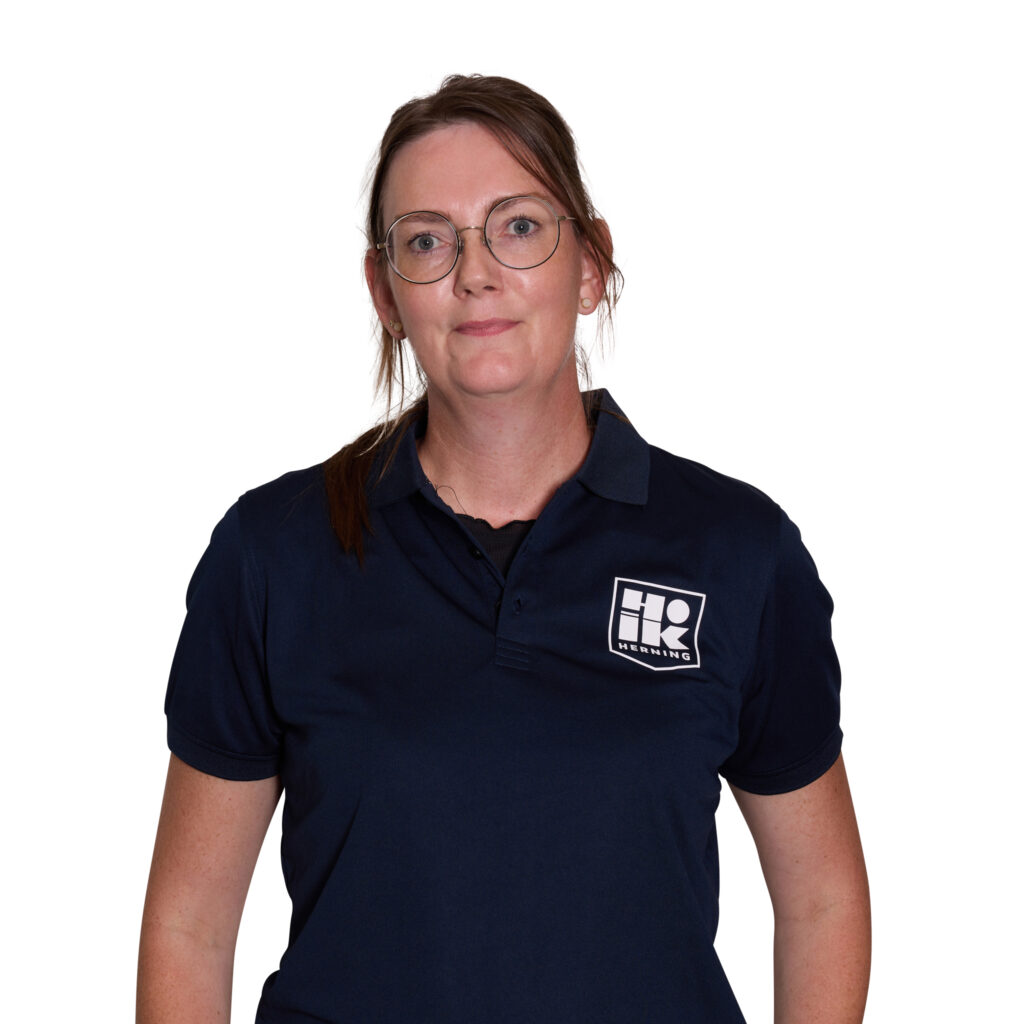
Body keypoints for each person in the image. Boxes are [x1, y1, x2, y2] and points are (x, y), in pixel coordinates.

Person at [137, 74, 870, 1024]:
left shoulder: (735, 549)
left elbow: (821, 899)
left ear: (592, 265)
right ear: (386, 292)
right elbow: (191, 926)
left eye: (518, 227)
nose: (475, 273)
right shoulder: (275, 552)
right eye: (428, 241)